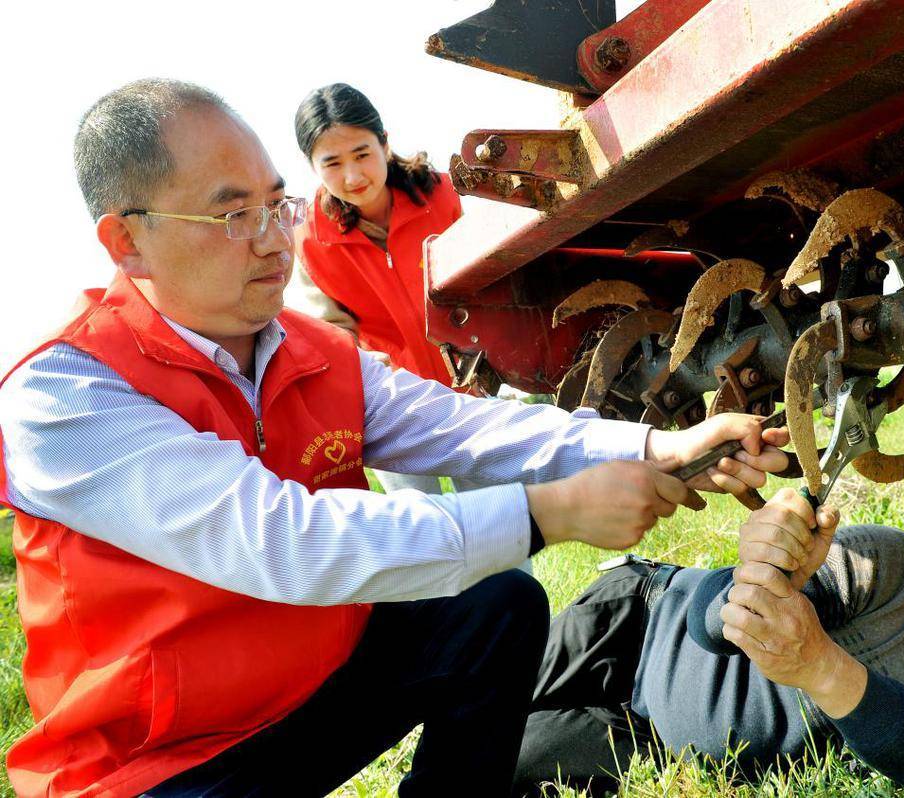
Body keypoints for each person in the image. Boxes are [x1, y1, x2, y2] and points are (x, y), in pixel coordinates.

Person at [0, 79, 790, 798]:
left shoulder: (310, 350)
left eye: (278, 204)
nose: (275, 240)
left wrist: (655, 449)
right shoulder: (68, 395)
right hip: (159, 766)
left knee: (494, 605)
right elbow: (282, 543)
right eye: (232, 214)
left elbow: (465, 427)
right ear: (125, 240)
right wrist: (548, 512)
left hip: (310, 696)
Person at [513, 489, 904, 797]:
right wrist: (758, 571)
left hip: (638, 739)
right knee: (466, 705)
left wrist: (821, 666)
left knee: (486, 764)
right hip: (637, 622)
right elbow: (715, 626)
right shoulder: (893, 564)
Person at [291, 82, 462, 495]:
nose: (352, 176)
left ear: (385, 144)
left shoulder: (444, 197)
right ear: (312, 166)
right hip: (392, 406)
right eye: (332, 163)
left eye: (362, 154)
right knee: (422, 531)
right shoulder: (309, 240)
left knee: (500, 512)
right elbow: (331, 335)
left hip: (471, 388)